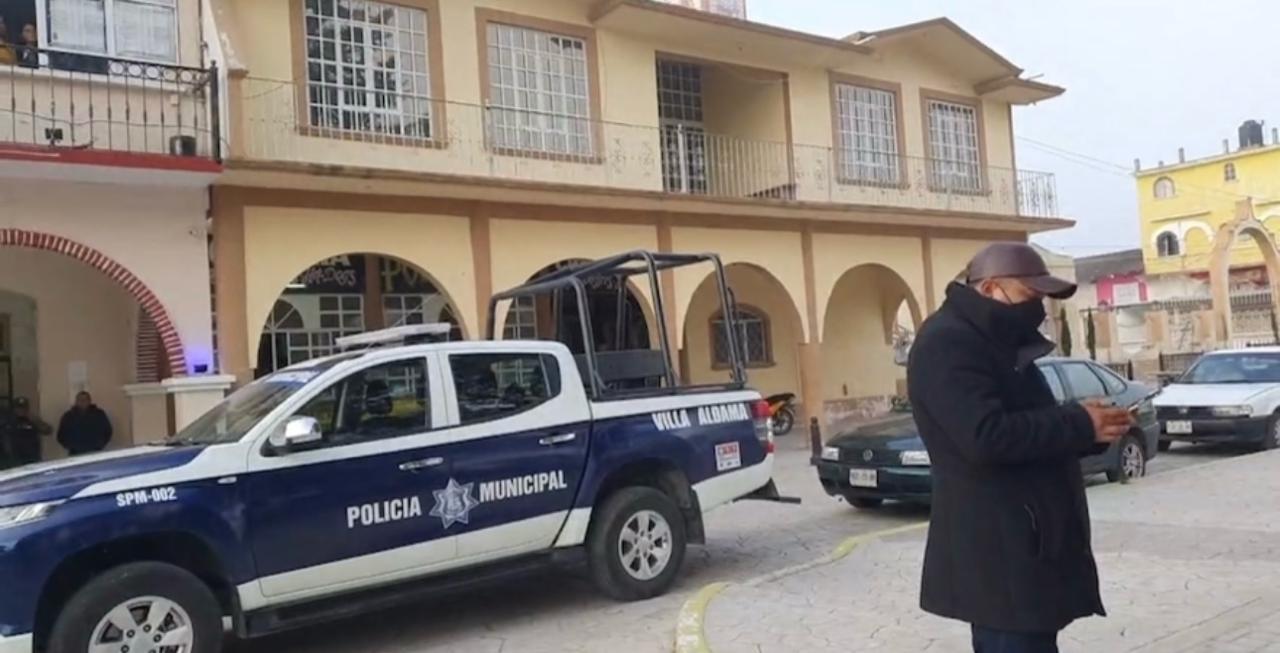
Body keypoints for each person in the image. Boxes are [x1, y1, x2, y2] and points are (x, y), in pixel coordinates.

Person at [906, 242, 1133, 653]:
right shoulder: (948, 342)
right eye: (1029, 295)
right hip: (1000, 550)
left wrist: (1088, 428)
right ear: (990, 288)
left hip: (1025, 543)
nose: (1037, 309)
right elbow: (984, 435)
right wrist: (1077, 423)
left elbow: (1024, 424)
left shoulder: (992, 341)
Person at [57, 391, 113, 456]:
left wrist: (100, 444)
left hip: (96, 452)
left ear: (89, 401)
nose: (82, 401)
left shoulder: (99, 414)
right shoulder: (68, 416)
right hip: (75, 453)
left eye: (85, 399)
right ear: (76, 401)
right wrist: (71, 447)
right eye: (80, 399)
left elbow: (108, 431)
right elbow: (61, 435)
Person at [2, 397, 53, 468]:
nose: (21, 410)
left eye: (23, 408)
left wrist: (35, 420)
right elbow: (4, 438)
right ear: (14, 409)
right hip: (14, 459)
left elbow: (48, 430)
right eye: (18, 408)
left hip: (32, 457)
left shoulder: (33, 420)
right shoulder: (8, 421)